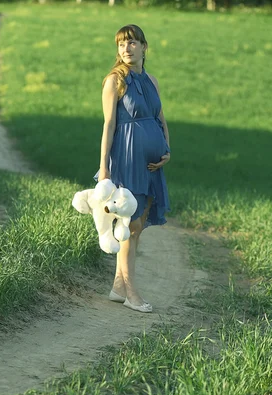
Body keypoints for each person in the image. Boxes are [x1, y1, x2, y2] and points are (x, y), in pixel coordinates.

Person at [98, 24, 171, 313]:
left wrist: (167, 149)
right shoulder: (114, 81)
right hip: (126, 159)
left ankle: (118, 287)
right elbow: (109, 125)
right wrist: (103, 169)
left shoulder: (152, 80)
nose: (125, 49)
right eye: (120, 45)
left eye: (131, 43)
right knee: (129, 227)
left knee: (137, 226)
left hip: (152, 164)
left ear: (143, 46)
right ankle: (131, 293)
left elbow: (160, 118)